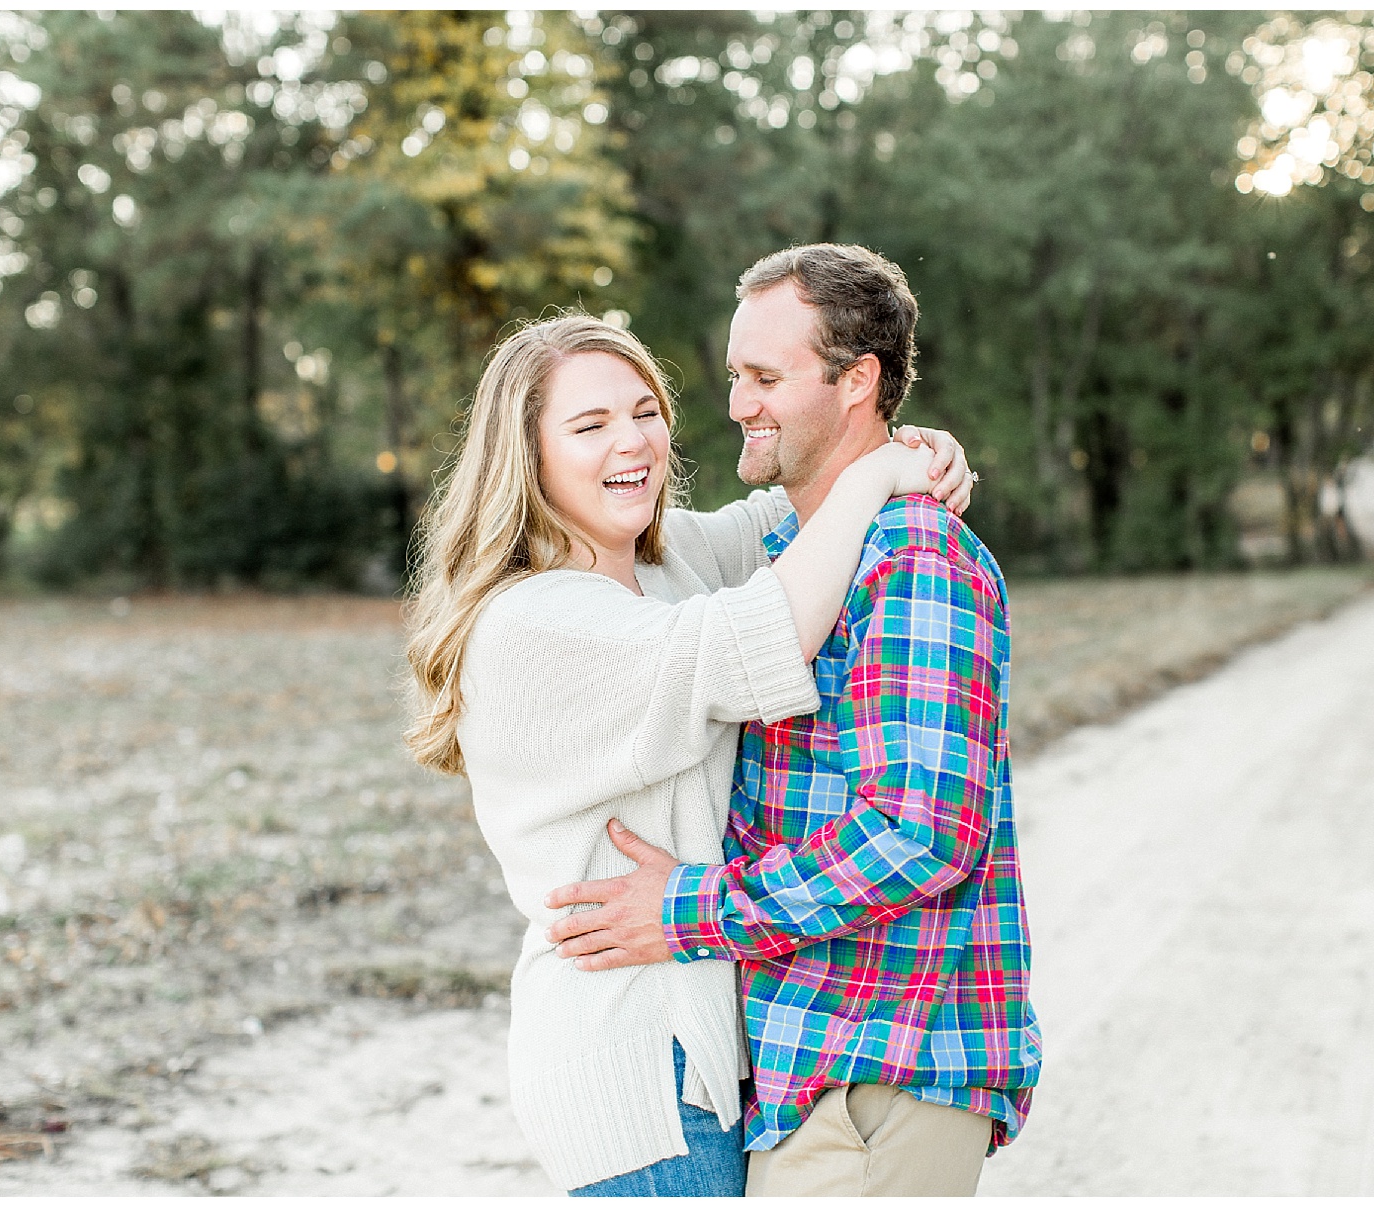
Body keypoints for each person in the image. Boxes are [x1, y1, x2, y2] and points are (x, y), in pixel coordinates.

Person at [403, 311, 975, 1196]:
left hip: (689, 1034)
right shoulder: (534, 620)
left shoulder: (659, 563)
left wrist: (912, 448)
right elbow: (764, 635)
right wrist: (880, 476)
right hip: (635, 1050)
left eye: (645, 412)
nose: (631, 441)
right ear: (528, 455)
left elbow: (794, 510)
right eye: (590, 425)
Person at [544, 245, 1042, 1196]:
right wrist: (900, 455)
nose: (739, 403)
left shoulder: (914, 557)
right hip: (811, 1072)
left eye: (767, 378)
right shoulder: (787, 547)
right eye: (737, 374)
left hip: (881, 1072)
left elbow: (923, 832)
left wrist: (688, 908)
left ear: (858, 381)